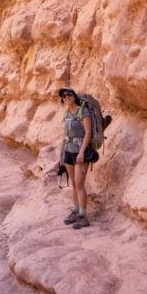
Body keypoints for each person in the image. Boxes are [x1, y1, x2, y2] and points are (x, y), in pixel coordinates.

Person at [58, 87, 92, 229]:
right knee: (73, 182)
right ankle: (76, 211)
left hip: (79, 152)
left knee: (79, 183)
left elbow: (88, 133)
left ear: (74, 96)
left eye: (69, 95)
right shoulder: (66, 113)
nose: (67, 97)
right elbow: (65, 135)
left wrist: (82, 152)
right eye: (64, 96)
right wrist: (61, 154)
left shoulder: (82, 111)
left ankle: (84, 216)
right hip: (68, 150)